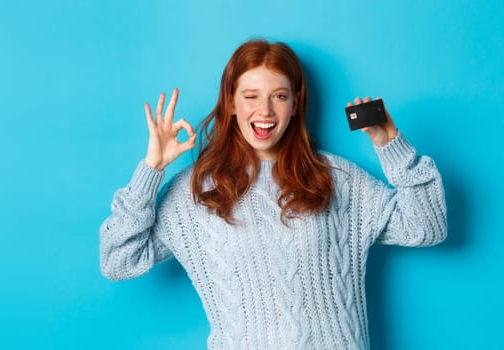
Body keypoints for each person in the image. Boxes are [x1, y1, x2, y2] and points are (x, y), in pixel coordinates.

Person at [98, 39, 447, 350]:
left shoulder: (337, 178)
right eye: (251, 96)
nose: (264, 111)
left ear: (295, 104)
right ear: (231, 103)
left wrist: (390, 144)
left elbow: (427, 227)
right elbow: (118, 261)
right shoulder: (196, 192)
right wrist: (152, 168)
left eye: (279, 96)